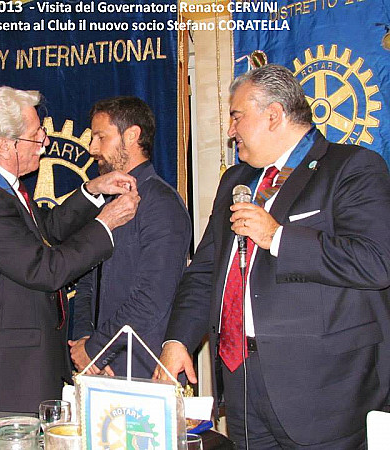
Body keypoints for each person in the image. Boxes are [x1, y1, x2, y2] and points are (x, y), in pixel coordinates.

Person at [154, 64, 390, 449]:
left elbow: (376, 262)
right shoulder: (235, 181)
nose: (231, 130)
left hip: (325, 391)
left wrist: (277, 237)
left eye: (237, 116)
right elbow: (207, 272)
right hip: (242, 381)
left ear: (274, 114)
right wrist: (178, 340)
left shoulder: (351, 168)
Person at [0, 85, 140, 423]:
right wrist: (105, 223)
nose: (45, 143)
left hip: (17, 374)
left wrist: (91, 190)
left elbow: (44, 228)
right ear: (4, 144)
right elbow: (45, 270)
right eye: (36, 136)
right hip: (5, 381)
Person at [69, 96, 191, 378]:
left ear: (132, 136)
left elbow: (152, 298)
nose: (92, 148)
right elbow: (86, 282)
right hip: (97, 367)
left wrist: (98, 350)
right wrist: (84, 344)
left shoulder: (162, 203)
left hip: (142, 369)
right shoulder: (102, 201)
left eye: (101, 137)